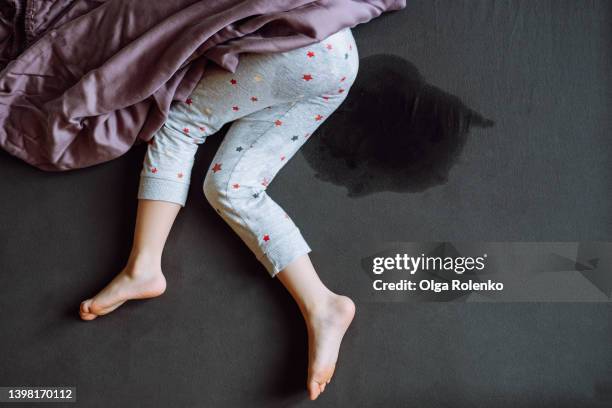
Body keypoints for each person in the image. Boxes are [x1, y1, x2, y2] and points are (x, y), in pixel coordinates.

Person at [79, 27, 358, 401]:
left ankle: (143, 266)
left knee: (179, 122)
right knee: (232, 187)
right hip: (337, 59)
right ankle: (322, 304)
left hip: (303, 49)